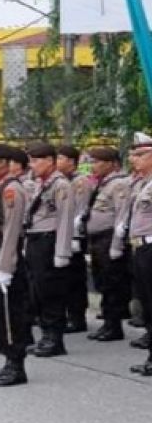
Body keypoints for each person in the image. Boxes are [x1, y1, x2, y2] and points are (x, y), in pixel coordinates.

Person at [0, 143, 33, 387]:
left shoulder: (12, 189)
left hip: (5, 252)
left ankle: (16, 364)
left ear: (3, 162)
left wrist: (5, 266)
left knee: (10, 311)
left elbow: (12, 231)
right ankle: (7, 359)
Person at [24, 141, 74, 358]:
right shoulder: (38, 183)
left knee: (51, 292)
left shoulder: (60, 185)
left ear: (49, 161)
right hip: (36, 240)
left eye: (36, 161)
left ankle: (55, 339)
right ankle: (46, 335)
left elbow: (65, 219)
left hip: (50, 241)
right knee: (38, 290)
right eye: (31, 161)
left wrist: (62, 251)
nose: (32, 165)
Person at [83, 146, 131, 343]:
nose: (93, 166)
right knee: (102, 280)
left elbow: (121, 213)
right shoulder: (103, 184)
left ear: (112, 164)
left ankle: (114, 326)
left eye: (98, 162)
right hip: (97, 240)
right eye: (92, 162)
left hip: (108, 237)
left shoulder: (118, 184)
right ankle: (108, 323)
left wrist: (117, 244)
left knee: (112, 283)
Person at [121, 135, 152, 375]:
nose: (134, 160)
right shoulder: (141, 183)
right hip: (140, 246)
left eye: (141, 155)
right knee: (147, 302)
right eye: (134, 155)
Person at [58, 145, 91, 333]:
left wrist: (76, 236)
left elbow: (80, 210)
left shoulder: (80, 182)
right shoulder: (62, 181)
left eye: (61, 159)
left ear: (71, 161)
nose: (57, 162)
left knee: (75, 279)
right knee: (64, 278)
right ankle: (68, 314)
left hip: (74, 236)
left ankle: (77, 318)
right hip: (63, 235)